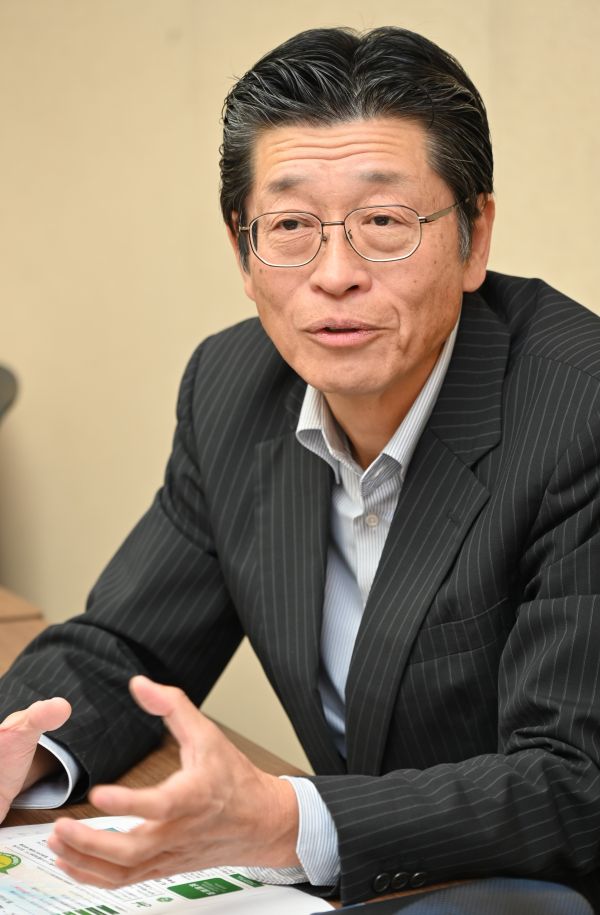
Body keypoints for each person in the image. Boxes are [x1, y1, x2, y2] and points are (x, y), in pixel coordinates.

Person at [1, 25, 599, 914]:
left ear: (474, 237)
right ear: (243, 251)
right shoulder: (233, 386)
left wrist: (288, 818)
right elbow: (129, 645)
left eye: (384, 223)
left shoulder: (579, 410)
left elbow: (576, 782)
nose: (336, 274)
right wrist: (21, 748)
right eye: (289, 226)